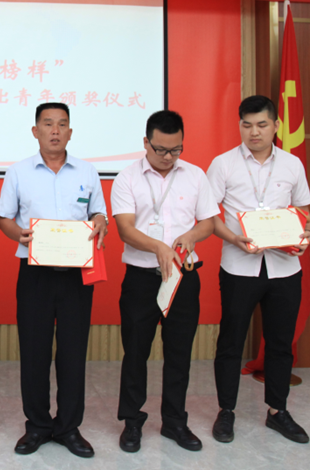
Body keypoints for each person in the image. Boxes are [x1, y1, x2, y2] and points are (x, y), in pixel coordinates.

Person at [0, 103, 107, 458]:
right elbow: (3, 217)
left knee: (73, 352)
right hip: (35, 273)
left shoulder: (87, 171)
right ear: (36, 131)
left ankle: (69, 427)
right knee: (34, 352)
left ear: (70, 132)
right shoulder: (18, 172)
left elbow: (98, 213)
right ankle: (38, 426)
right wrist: (18, 234)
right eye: (48, 124)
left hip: (76, 274)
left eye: (62, 124)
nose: (55, 131)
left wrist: (101, 221)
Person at [206, 95, 310, 444]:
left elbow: (304, 213)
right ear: (239, 126)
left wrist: (307, 234)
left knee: (281, 343)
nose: (254, 132)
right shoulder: (223, 164)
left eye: (262, 124)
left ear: (276, 125)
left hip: (285, 268)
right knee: (231, 341)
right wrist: (233, 239)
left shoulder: (292, 164)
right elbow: (209, 216)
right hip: (239, 267)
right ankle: (226, 411)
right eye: (247, 125)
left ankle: (278, 411)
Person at [111, 110, 218, 453]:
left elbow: (209, 222)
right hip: (142, 279)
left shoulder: (195, 175)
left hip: (183, 278)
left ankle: (174, 421)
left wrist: (190, 236)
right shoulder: (127, 178)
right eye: (161, 150)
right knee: (135, 352)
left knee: (179, 353)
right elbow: (125, 229)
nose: (169, 157)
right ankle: (132, 422)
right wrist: (158, 247)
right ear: (146, 143)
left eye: (176, 150)